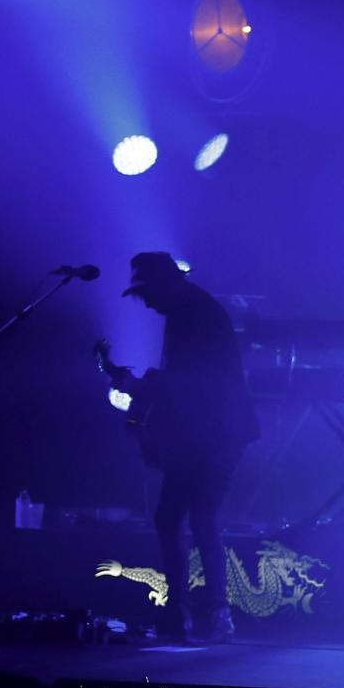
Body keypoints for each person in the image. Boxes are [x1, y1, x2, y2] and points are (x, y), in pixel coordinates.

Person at [108, 252, 258, 644]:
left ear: (165, 283)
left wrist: (141, 387)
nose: (146, 302)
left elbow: (192, 380)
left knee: (195, 516)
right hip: (206, 432)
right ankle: (194, 614)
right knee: (180, 516)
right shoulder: (188, 311)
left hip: (217, 432)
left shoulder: (195, 314)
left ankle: (206, 614)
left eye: (147, 293)